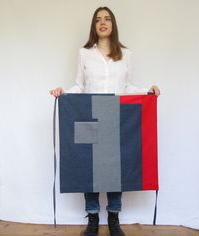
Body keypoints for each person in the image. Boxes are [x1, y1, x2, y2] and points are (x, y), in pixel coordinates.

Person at [50, 6, 160, 236]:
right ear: (94, 25)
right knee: (88, 168)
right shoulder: (84, 53)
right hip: (89, 115)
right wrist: (64, 93)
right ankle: (92, 218)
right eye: (98, 19)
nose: (103, 22)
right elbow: (80, 85)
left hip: (115, 117)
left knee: (114, 171)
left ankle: (113, 218)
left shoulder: (126, 54)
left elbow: (127, 87)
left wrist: (147, 92)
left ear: (113, 24)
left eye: (107, 19)